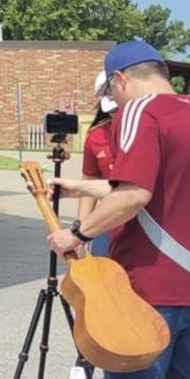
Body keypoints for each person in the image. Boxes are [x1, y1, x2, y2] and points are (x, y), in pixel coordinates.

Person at [49, 41, 190, 379]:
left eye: (110, 91)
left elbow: (134, 195)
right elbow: (160, 189)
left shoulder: (139, 111)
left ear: (121, 79)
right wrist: (81, 187)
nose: (112, 101)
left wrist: (76, 233)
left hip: (151, 287)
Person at [79, 71, 118, 258]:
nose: (115, 114)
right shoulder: (97, 135)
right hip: (108, 220)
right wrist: (82, 229)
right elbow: (90, 180)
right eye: (112, 110)